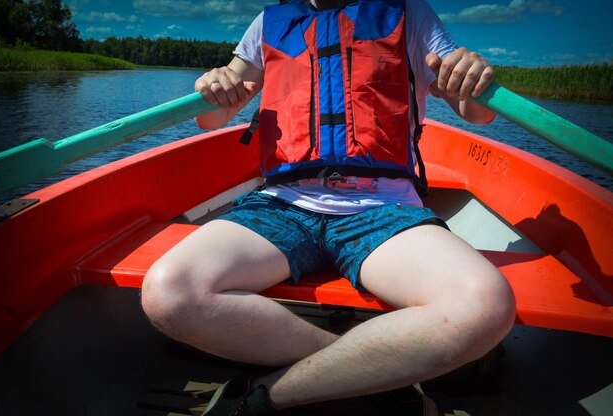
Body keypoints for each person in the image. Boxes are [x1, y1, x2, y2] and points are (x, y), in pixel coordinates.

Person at [141, 0, 516, 414]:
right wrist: (214, 85)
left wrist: (471, 76)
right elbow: (211, 119)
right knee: (169, 294)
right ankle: (376, 377)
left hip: (382, 209)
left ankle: (269, 393)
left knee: (485, 305)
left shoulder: (409, 14)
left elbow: (476, 114)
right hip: (282, 204)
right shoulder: (269, 22)